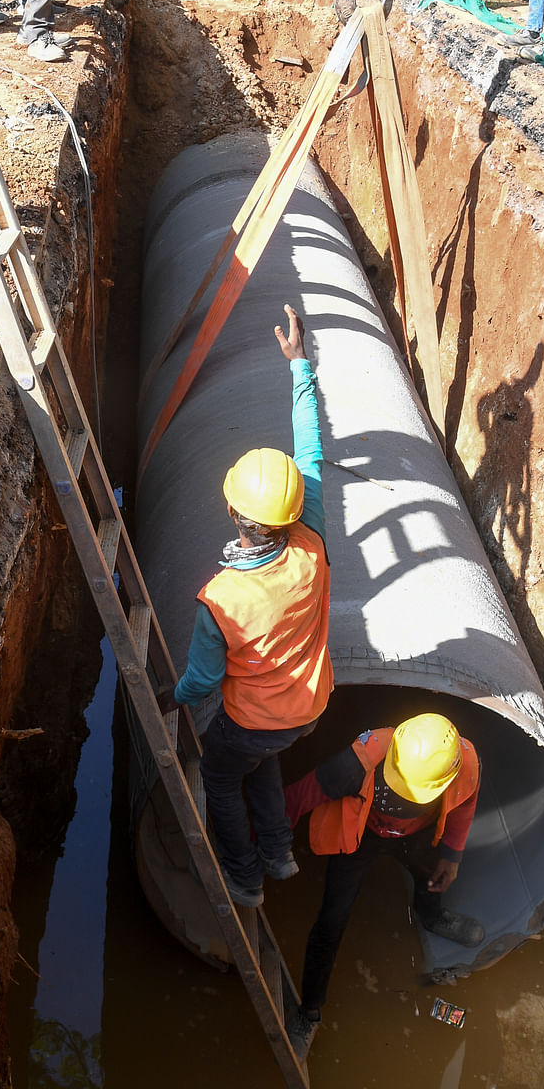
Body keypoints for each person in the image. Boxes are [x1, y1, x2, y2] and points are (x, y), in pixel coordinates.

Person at [172, 305, 332, 910]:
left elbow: (204, 680)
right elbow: (311, 450)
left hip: (256, 719)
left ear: (235, 515)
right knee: (260, 758)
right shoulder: (311, 538)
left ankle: (245, 876)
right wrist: (299, 369)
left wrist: (172, 698)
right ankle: (279, 851)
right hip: (309, 710)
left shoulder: (222, 598)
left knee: (221, 774)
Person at [284, 713, 484, 1056]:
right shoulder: (358, 762)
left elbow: (464, 804)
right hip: (362, 836)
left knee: (430, 876)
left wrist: (452, 856)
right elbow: (297, 797)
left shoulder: (464, 764)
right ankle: (309, 1014)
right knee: (331, 922)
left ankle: (432, 917)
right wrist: (262, 847)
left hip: (416, 835)